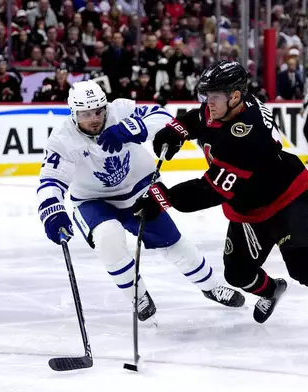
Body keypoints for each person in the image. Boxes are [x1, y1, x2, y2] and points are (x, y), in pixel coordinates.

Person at [132, 61, 308, 351]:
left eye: (214, 97)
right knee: (237, 274)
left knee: (305, 266)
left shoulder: (248, 135)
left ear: (234, 96)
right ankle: (272, 289)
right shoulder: (227, 105)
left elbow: (210, 190)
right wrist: (176, 129)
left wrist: (162, 198)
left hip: (285, 201)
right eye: (206, 96)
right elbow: (199, 118)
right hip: (248, 208)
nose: (208, 103)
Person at [36, 80, 245, 322]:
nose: (94, 118)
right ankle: (138, 295)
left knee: (172, 241)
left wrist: (130, 128)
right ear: (73, 113)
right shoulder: (62, 139)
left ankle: (211, 286)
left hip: (137, 191)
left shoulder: (120, 110)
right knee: (108, 237)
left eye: (98, 111)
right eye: (85, 113)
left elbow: (163, 117)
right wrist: (53, 213)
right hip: (93, 200)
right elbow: (50, 180)